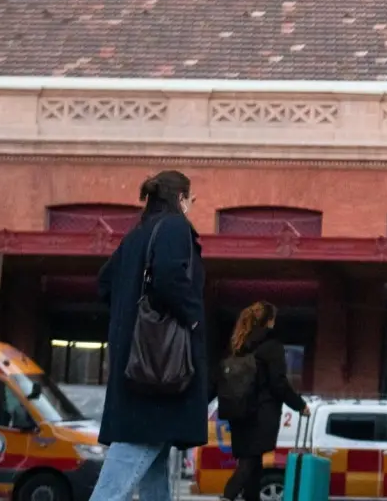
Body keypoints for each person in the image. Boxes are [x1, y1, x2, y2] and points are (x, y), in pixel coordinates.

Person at [92, 170, 209, 501]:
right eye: (191, 198)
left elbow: (104, 283)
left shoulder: (135, 236)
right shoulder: (174, 227)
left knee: (153, 463)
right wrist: (194, 319)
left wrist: (129, 318)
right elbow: (169, 277)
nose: (193, 204)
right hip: (158, 369)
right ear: (180, 198)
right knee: (136, 449)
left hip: (136, 366)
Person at [218, 302, 308, 501]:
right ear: (269, 321)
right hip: (261, 414)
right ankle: (227, 496)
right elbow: (279, 383)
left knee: (254, 466)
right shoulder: (271, 347)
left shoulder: (238, 344)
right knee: (249, 464)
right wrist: (300, 405)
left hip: (238, 412)